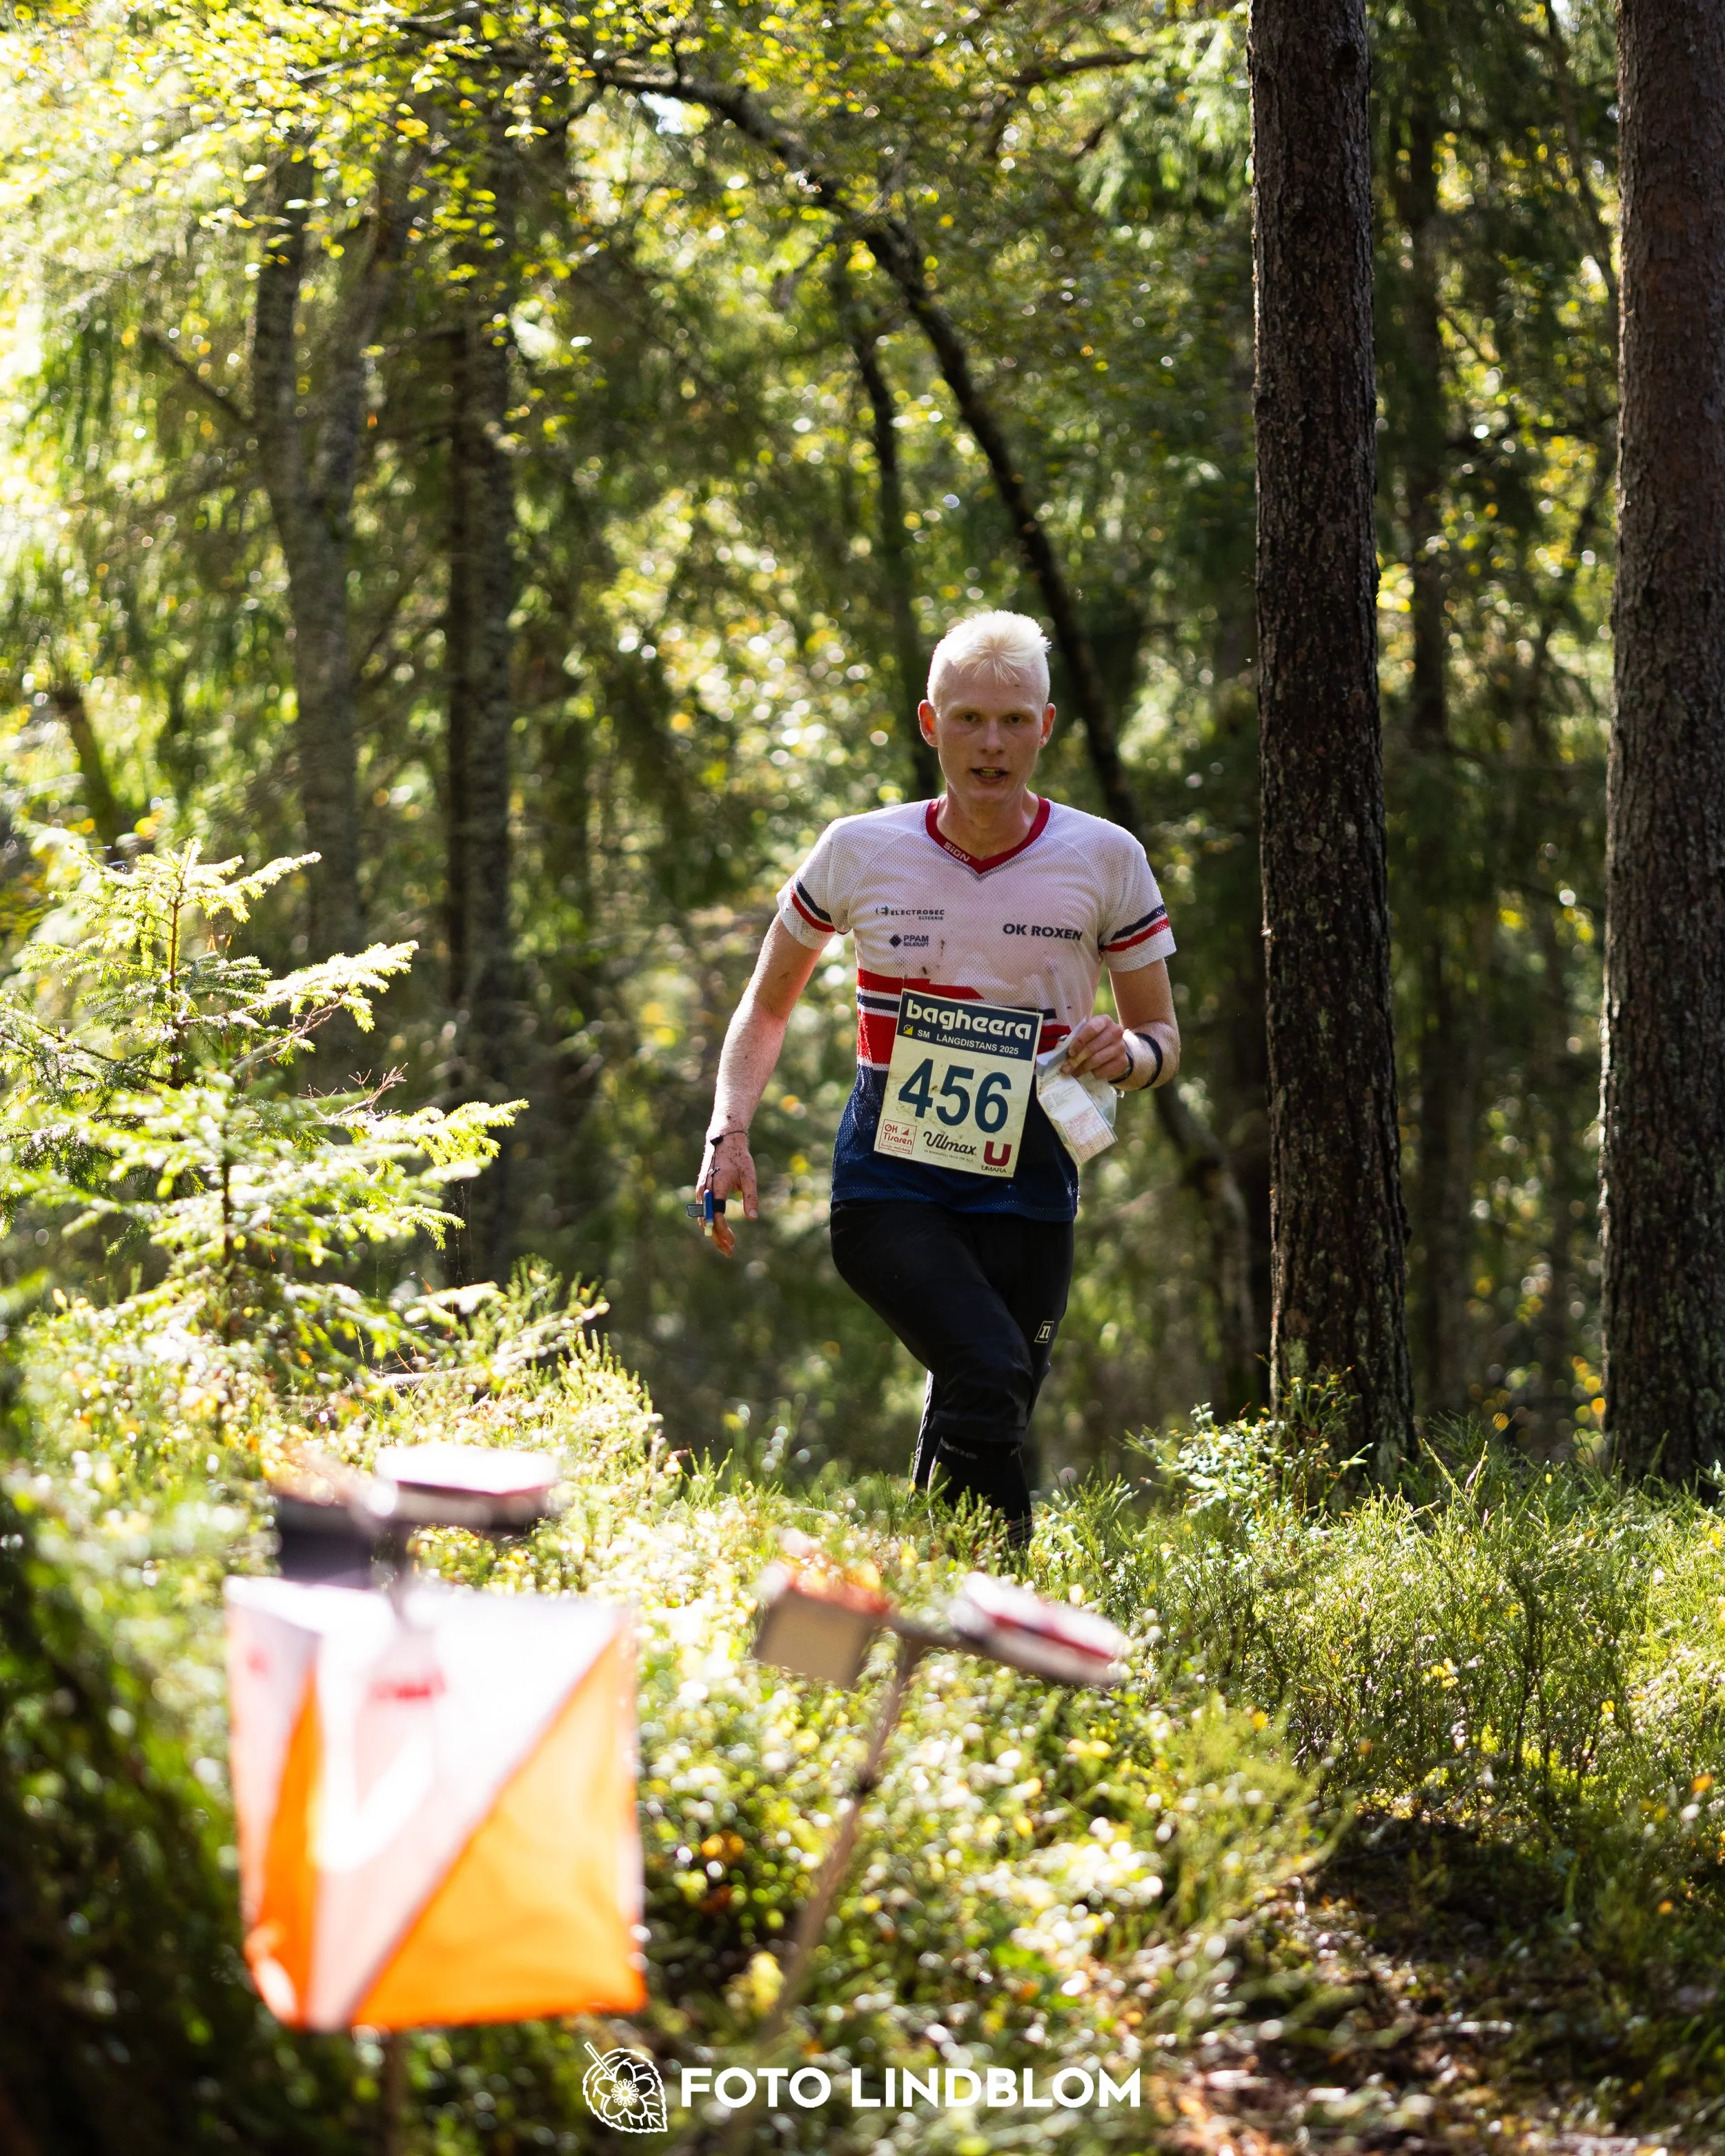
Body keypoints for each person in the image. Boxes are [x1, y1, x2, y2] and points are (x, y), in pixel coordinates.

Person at [695, 611, 1179, 1545]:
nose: (989, 744)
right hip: (892, 1178)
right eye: (966, 719)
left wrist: (1134, 1053)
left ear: (1045, 726)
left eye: (1011, 721)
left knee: (985, 1406)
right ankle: (993, 1619)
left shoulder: (1105, 858)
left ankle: (936, 1611)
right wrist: (731, 1128)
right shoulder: (859, 848)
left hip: (1034, 1181)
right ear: (930, 724)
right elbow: (766, 1006)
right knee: (989, 1370)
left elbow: (1159, 1033)